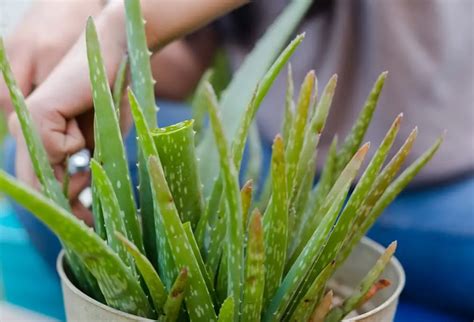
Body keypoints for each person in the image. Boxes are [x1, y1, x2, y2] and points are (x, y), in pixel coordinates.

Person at [1, 0, 473, 318]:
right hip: (280, 164)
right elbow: (185, 64)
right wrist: (83, 46)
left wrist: (109, 23)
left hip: (444, 188)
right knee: (32, 160)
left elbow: (136, 23)